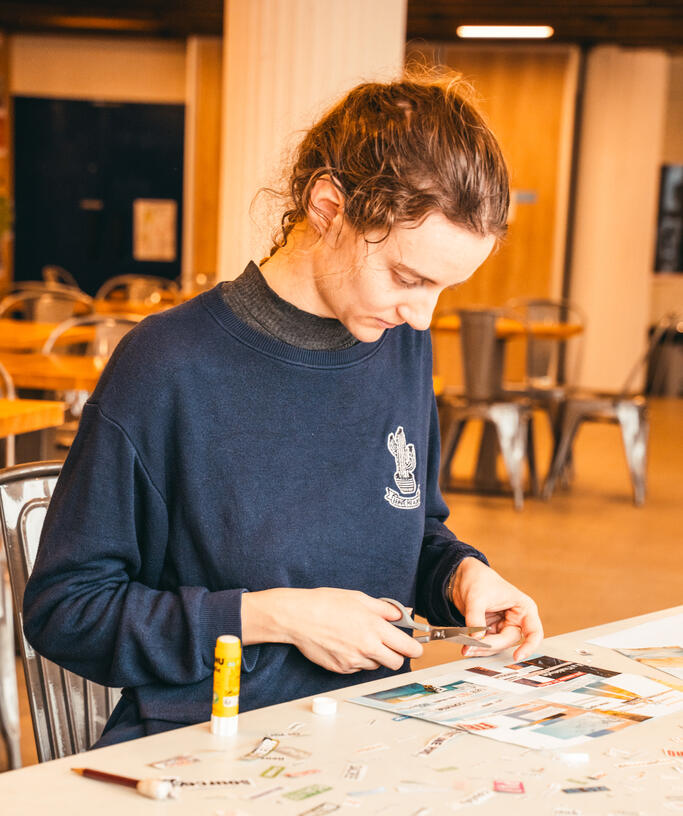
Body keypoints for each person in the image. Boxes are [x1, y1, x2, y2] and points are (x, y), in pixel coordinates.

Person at [23, 70, 543, 747]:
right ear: (327, 208)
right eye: (407, 277)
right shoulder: (168, 364)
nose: (422, 314)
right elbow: (67, 611)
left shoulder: (401, 343)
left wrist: (462, 575)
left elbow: (407, 533)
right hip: (205, 747)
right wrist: (272, 618)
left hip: (369, 739)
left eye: (443, 289)